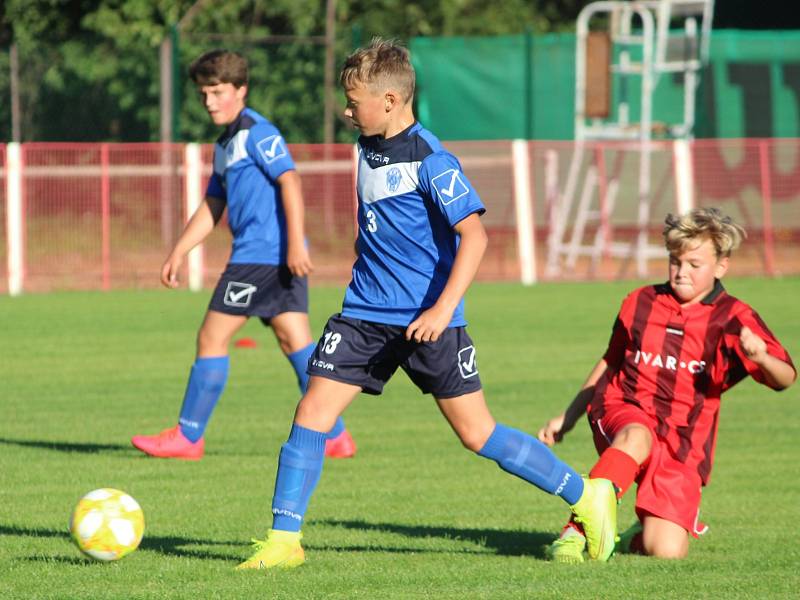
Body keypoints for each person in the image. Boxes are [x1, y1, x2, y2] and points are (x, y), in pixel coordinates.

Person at [235, 38, 617, 570]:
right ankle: (283, 541)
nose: (346, 112)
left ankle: (586, 494)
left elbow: (475, 238)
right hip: (363, 314)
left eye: (354, 102)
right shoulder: (367, 145)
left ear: (390, 101)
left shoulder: (433, 160)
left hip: (428, 324)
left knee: (477, 434)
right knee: (311, 413)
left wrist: (440, 311)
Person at [131, 49, 356, 461]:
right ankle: (336, 435)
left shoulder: (258, 132)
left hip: (261, 259)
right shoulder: (225, 145)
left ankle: (188, 436)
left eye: (217, 92)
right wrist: (179, 250)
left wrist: (294, 243)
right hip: (267, 258)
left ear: (241, 90)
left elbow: (290, 181)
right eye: (203, 93)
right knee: (296, 341)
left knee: (212, 337)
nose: (209, 101)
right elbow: (213, 206)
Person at [539, 207, 796, 561]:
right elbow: (610, 361)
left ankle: (627, 536)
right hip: (622, 407)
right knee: (637, 435)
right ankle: (576, 532)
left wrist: (762, 356)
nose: (681, 272)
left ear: (721, 266)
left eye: (694, 264)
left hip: (683, 440)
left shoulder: (734, 317)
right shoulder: (640, 302)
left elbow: (786, 377)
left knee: (667, 551)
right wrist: (566, 417)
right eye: (675, 261)